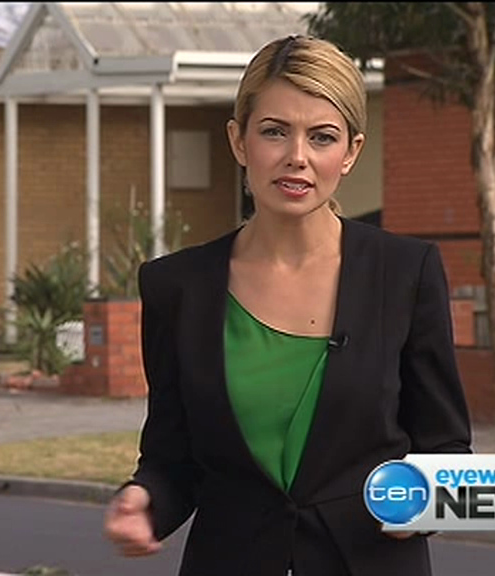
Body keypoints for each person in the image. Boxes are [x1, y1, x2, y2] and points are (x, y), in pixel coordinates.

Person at [102, 35, 473, 576]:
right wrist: (144, 502)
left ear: (351, 152)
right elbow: (172, 459)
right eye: (274, 131)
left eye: (322, 137)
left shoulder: (405, 273)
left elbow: (446, 449)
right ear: (238, 140)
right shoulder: (176, 287)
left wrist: (421, 503)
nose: (297, 157)